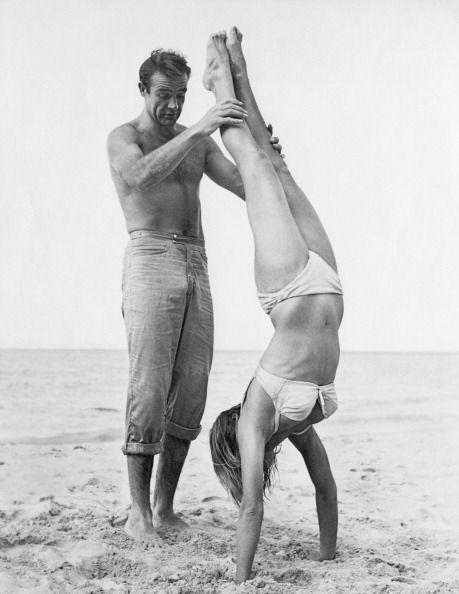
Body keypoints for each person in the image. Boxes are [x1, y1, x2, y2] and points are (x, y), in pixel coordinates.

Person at [106, 48, 281, 540]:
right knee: (149, 385)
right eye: (165, 95)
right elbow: (138, 176)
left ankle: (164, 508)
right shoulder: (125, 138)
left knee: (191, 388)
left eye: (182, 96)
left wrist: (266, 157)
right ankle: (137, 512)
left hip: (197, 261)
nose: (174, 106)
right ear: (143, 90)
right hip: (150, 257)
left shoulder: (193, 139)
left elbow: (244, 184)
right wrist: (202, 126)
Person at [206, 28, 344, 583]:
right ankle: (236, 63)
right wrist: (328, 560)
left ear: (235, 443)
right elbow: (326, 489)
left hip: (288, 288)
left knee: (260, 168)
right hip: (327, 282)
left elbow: (250, 510)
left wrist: (240, 581)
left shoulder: (257, 421)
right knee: (278, 168)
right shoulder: (297, 425)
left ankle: (224, 80)